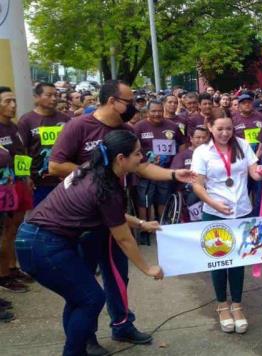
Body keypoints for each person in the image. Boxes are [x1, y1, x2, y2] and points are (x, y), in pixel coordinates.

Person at [49, 80, 195, 353]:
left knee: (117, 273)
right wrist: (96, 174)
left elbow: (143, 166)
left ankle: (122, 324)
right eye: (129, 101)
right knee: (85, 284)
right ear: (111, 101)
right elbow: (55, 165)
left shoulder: (126, 130)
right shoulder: (79, 126)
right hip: (86, 219)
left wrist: (175, 174)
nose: (133, 106)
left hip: (116, 209)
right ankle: (86, 335)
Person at [16, 130, 164, 356]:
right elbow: (123, 238)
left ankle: (77, 350)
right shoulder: (106, 189)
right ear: (120, 159)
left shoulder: (93, 171)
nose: (141, 157)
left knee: (79, 298)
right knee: (91, 299)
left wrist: (142, 224)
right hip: (44, 245)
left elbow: (112, 213)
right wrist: (148, 268)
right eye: (136, 153)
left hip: (34, 239)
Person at [191, 110, 262, 334]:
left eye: (229, 129)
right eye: (220, 129)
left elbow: (254, 173)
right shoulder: (202, 152)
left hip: (242, 211)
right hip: (215, 212)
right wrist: (214, 204)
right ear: (210, 127)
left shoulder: (242, 145)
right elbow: (197, 185)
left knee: (238, 260)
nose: (225, 133)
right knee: (219, 260)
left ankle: (237, 305)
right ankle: (222, 305)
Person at [134, 100, 185, 237]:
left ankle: (162, 228)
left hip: (165, 172)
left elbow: (182, 144)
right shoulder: (139, 127)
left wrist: (177, 161)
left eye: (159, 111)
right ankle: (145, 229)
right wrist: (143, 158)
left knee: (163, 198)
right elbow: (132, 149)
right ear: (147, 112)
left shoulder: (173, 126)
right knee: (144, 201)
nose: (157, 114)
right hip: (144, 171)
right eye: (153, 111)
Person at [0, 86, 34, 295]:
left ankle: (12, 268)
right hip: (3, 188)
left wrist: (27, 177)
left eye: (14, 101)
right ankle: (3, 275)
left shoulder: (14, 127)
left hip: (20, 184)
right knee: (4, 231)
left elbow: (22, 155)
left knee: (14, 229)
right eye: (7, 101)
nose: (13, 105)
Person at [17, 82, 70, 207]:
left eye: (56, 95)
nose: (54, 98)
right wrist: (25, 177)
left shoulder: (65, 119)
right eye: (49, 95)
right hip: (39, 182)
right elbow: (21, 151)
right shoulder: (26, 120)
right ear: (37, 97)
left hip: (63, 180)